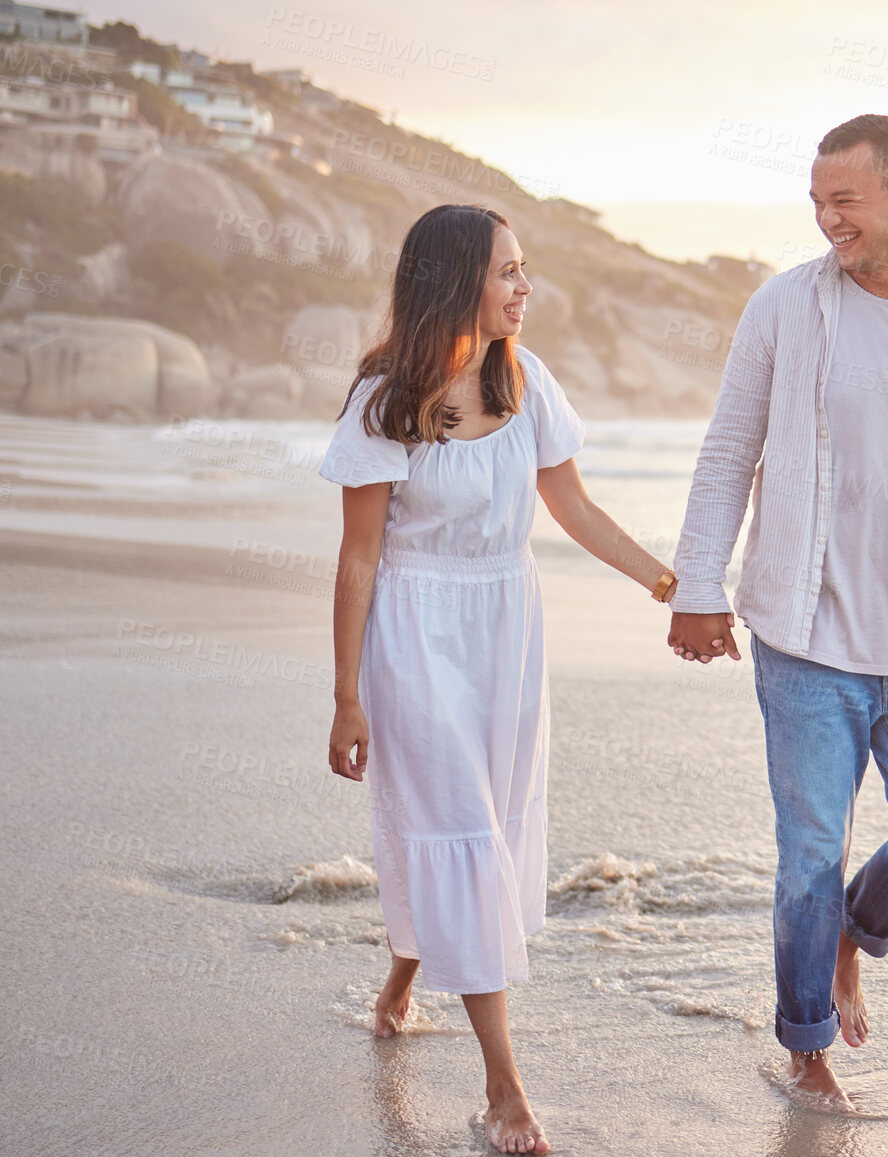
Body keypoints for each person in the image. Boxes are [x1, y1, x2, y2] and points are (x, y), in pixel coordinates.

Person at [668, 114, 888, 1112]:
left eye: (845, 201)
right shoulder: (785, 308)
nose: (827, 220)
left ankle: (848, 937)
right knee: (809, 852)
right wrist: (698, 585)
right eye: (817, 202)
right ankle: (806, 1045)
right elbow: (727, 450)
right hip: (804, 635)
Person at [321, 203, 677, 1155]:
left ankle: (403, 972)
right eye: (508, 271)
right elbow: (358, 561)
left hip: (506, 630)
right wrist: (347, 693)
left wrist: (668, 582)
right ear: (454, 281)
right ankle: (503, 1089)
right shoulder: (384, 402)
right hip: (414, 633)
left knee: (481, 820)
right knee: (465, 829)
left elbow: (576, 508)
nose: (526, 288)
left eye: (526, 270)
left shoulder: (525, 382)